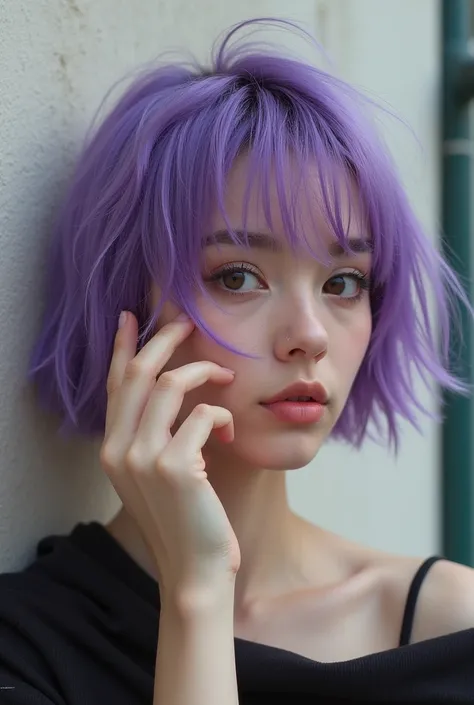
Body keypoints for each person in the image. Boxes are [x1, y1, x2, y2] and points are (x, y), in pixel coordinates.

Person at [1, 17, 473, 705]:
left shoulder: (450, 628)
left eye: (343, 282)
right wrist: (197, 592)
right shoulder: (31, 647)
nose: (308, 334)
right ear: (124, 303)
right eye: (237, 276)